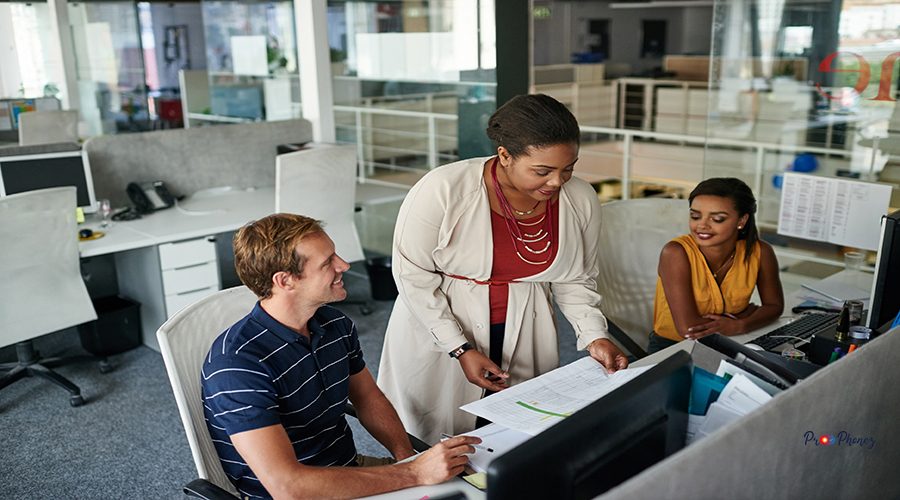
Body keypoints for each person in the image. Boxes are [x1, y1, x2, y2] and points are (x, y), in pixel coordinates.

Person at [377, 94, 628, 444]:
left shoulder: (579, 199)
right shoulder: (443, 189)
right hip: (439, 321)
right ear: (505, 155)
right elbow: (412, 276)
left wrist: (593, 336)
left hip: (526, 326)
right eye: (542, 171)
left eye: (567, 168)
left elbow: (575, 278)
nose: (557, 182)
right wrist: (459, 348)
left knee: (513, 435)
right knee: (434, 439)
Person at [201, 214, 480, 499]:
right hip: (296, 493)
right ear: (285, 281)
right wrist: (414, 473)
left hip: (348, 470)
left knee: (474, 487)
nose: (344, 265)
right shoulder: (237, 365)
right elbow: (288, 486)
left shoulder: (335, 325)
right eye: (327, 262)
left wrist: (406, 457)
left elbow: (369, 398)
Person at [649, 177, 784, 354]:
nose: (702, 225)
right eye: (695, 216)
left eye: (717, 219)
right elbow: (688, 330)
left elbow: (775, 307)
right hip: (673, 349)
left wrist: (740, 325)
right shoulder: (675, 253)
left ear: (741, 220)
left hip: (735, 341)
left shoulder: (761, 252)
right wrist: (742, 315)